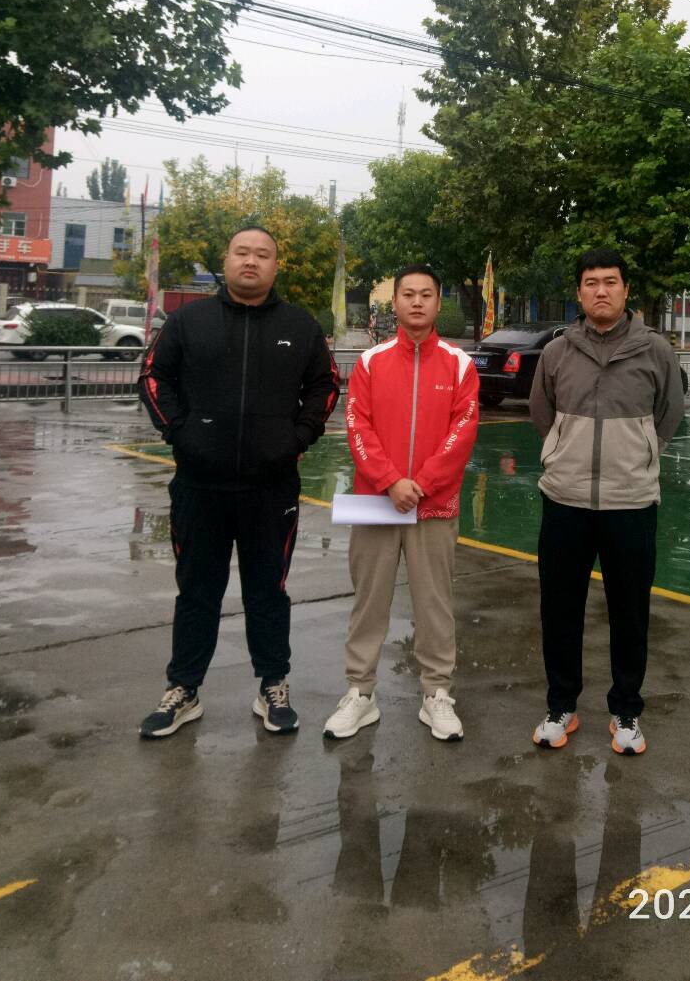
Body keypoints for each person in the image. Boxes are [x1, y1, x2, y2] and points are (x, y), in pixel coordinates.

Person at [136, 226, 339, 738]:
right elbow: (153, 377)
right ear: (226, 260)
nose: (251, 261)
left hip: (271, 488)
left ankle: (273, 684)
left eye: (262, 254)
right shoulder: (188, 321)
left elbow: (326, 385)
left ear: (275, 266)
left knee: (268, 590)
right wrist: (181, 433)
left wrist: (297, 438)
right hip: (199, 486)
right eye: (242, 252)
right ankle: (184, 689)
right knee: (197, 591)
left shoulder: (300, 326)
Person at [528, 249, 684, 756]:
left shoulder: (654, 350)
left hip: (631, 501)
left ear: (625, 290)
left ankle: (626, 711)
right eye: (591, 282)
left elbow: (669, 412)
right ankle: (561, 706)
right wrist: (562, 453)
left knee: (630, 612)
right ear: (579, 292)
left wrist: (639, 453)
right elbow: (541, 412)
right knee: (560, 609)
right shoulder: (557, 352)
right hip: (565, 499)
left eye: (610, 281)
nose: (601, 290)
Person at [324, 263, 479, 742]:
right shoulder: (371, 362)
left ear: (437, 301)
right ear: (394, 303)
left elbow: (462, 431)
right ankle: (360, 692)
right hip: (377, 503)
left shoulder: (459, 364)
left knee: (435, 603)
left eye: (425, 294)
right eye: (407, 294)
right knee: (369, 600)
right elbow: (358, 425)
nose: (416, 302)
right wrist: (390, 481)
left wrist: (423, 483)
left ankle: (437, 693)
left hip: (434, 505)